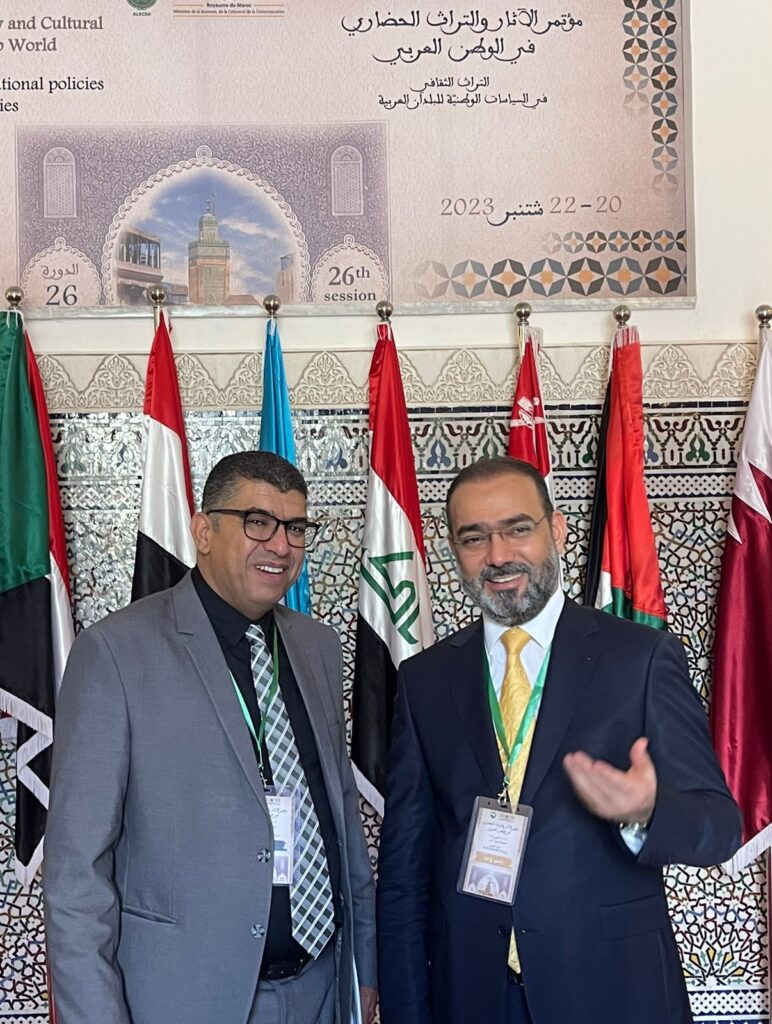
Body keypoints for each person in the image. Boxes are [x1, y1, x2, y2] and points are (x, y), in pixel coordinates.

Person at [376, 456, 741, 1024]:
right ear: (453, 549)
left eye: (517, 529)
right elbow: (404, 874)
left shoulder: (640, 659)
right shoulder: (426, 680)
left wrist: (645, 812)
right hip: (472, 996)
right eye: (474, 538)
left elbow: (720, 828)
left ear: (558, 529)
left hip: (611, 991)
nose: (498, 555)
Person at [45, 451, 377, 1024]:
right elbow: (77, 872)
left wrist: (362, 969)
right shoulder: (115, 653)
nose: (280, 545)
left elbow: (342, 817)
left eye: (295, 527)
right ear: (203, 531)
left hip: (321, 989)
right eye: (257, 522)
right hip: (184, 998)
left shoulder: (317, 646)